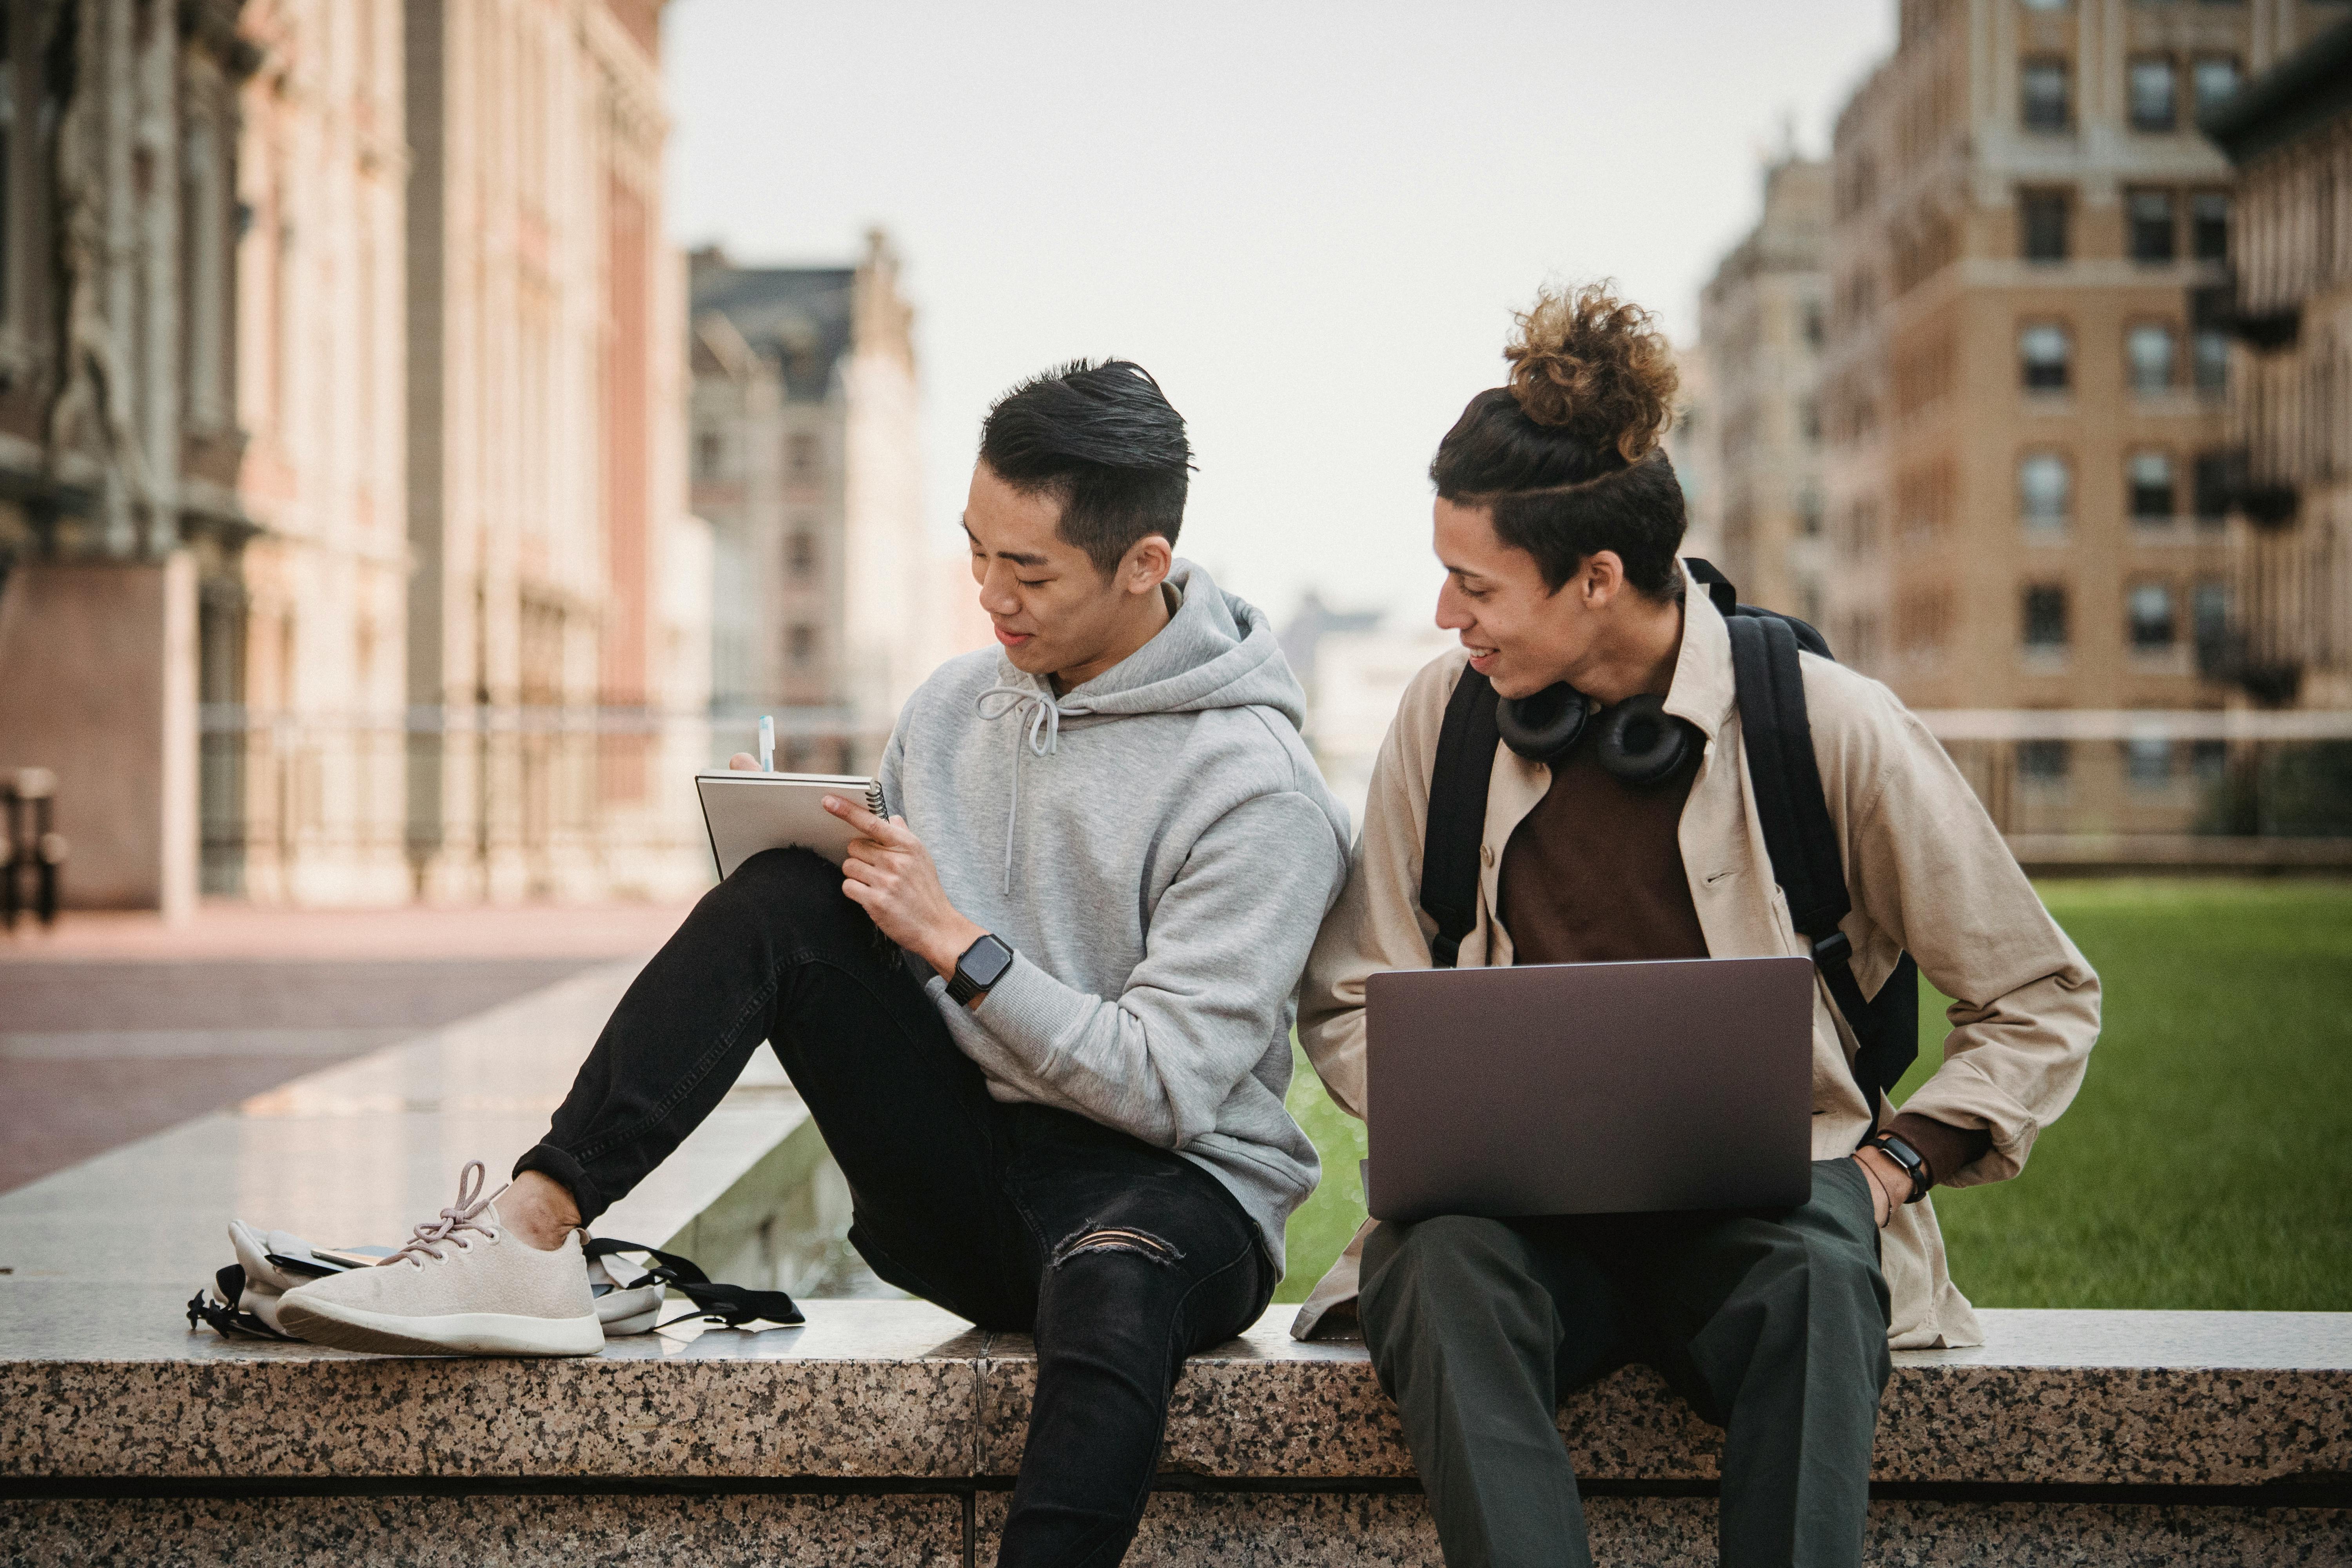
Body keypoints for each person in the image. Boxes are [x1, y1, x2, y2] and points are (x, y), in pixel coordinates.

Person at [280, 359, 1353, 1567]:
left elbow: (1168, 1092)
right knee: (783, 898)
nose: (990, 596)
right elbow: (870, 944)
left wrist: (961, 944)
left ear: (1144, 564)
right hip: (972, 1183)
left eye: (1030, 570)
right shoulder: (954, 708)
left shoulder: (1257, 789)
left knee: (1111, 1280)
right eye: (976, 551)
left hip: (1170, 1208)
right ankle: (527, 1233)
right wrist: (818, 855)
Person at [1293, 285, 2100, 1568]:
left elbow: (2042, 993)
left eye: (1472, 585)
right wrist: (1456, 1122)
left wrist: (1889, 1168)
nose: (1449, 619)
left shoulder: (1831, 725)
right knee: (1430, 1270)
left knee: (1824, 1282)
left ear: (1597, 579)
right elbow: (1349, 989)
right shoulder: (1443, 724)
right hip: (1521, 1237)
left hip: (1768, 1227)